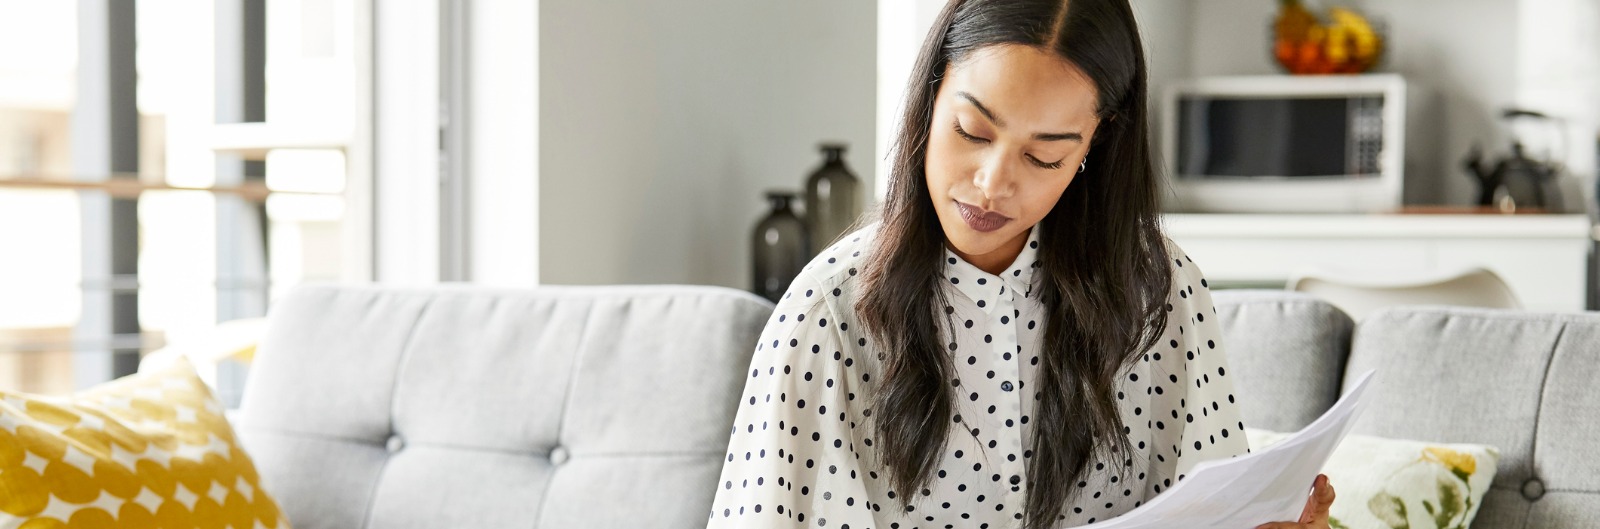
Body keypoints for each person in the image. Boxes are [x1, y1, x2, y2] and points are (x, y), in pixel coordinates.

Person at [706, 0, 1335, 527]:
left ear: (1096, 144)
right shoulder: (830, 313)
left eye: (1044, 158)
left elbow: (1215, 504)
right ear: (930, 100)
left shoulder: (1160, 291)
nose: (991, 183)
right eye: (973, 132)